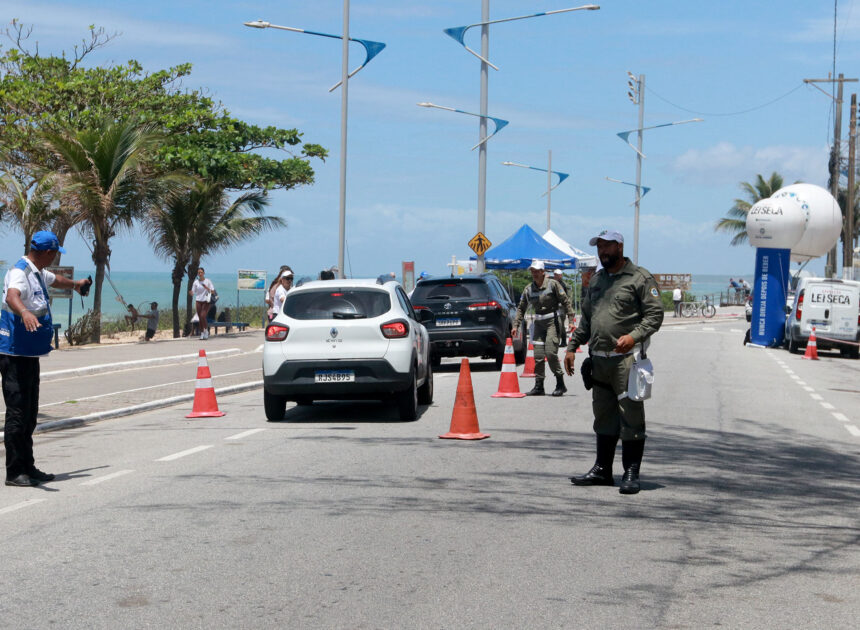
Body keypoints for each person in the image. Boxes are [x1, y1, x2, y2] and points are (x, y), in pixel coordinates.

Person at [564, 230, 664, 495]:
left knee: (630, 416)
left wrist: (633, 337)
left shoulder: (640, 278)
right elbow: (586, 319)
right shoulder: (597, 281)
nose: (602, 252)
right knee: (604, 416)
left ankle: (631, 472)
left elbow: (654, 315)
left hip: (626, 361)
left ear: (619, 247)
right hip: (599, 360)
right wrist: (572, 346)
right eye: (599, 247)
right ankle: (602, 470)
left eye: (607, 246)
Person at [1, 231, 91, 487]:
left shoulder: (38, 271)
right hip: (14, 354)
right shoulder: (20, 272)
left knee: (29, 413)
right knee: (17, 414)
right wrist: (26, 313)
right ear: (47, 252)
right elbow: (12, 296)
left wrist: (77, 284)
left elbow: (56, 280)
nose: (54, 258)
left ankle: (28, 467)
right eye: (54, 253)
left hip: (29, 353)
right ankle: (14, 472)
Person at [512, 260, 576, 397]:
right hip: (539, 324)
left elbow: (566, 302)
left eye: (537, 271)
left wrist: (571, 320)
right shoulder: (529, 289)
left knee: (551, 353)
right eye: (532, 271)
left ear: (543, 272)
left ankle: (560, 383)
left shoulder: (553, 285)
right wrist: (516, 325)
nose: (534, 274)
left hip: (552, 321)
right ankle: (539, 386)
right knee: (539, 356)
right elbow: (521, 307)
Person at [189, 267, 215, 340]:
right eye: (199, 273)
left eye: (201, 272)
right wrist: (191, 293)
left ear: (204, 273)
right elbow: (193, 292)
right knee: (200, 318)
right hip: (198, 301)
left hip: (206, 301)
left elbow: (213, 291)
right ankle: (202, 333)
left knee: (203, 316)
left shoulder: (208, 281)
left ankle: (206, 330)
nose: (200, 274)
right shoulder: (196, 282)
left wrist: (207, 288)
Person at [553, 269, 573, 346]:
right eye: (555, 274)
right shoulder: (552, 284)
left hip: (562, 307)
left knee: (560, 324)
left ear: (561, 276)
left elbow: (569, 297)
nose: (555, 276)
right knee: (555, 324)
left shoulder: (565, 285)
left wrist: (566, 307)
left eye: (557, 275)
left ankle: (563, 341)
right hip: (554, 307)